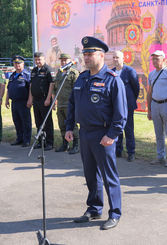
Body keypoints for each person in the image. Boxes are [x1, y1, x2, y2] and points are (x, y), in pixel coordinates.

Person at [65, 36, 127, 230]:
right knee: (90, 175)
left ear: (102, 55)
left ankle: (115, 213)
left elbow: (121, 114)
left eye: (90, 54)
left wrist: (112, 135)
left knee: (109, 177)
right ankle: (94, 208)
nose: (86, 57)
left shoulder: (112, 80)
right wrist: (69, 127)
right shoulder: (82, 78)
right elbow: (72, 105)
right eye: (84, 54)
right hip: (84, 133)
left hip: (103, 135)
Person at [147, 50, 167, 167]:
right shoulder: (151, 74)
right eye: (153, 59)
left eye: (157, 59)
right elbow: (149, 93)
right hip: (155, 105)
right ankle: (160, 156)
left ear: (163, 59)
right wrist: (149, 109)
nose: (155, 61)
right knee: (158, 133)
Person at [112, 50, 139, 162]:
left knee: (129, 130)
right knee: (117, 128)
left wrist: (130, 99)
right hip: (115, 106)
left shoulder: (130, 71)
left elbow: (136, 88)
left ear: (123, 59)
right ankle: (118, 151)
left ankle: (131, 152)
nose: (115, 59)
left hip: (127, 106)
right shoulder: (111, 72)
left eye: (117, 57)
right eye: (114, 57)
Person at [51, 53, 80, 154]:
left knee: (73, 125)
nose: (63, 62)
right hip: (60, 104)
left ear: (69, 61)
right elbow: (55, 89)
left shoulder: (74, 73)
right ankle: (65, 144)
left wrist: (75, 104)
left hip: (69, 104)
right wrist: (54, 100)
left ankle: (75, 145)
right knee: (62, 124)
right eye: (62, 60)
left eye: (65, 60)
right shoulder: (59, 73)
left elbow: (76, 90)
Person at [27, 52, 55, 151]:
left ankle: (50, 142)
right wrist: (30, 99)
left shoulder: (48, 70)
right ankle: (41, 141)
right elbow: (31, 85)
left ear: (44, 59)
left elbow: (52, 85)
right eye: (36, 60)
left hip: (44, 99)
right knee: (38, 122)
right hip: (36, 100)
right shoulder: (34, 71)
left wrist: (48, 99)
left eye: (39, 59)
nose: (37, 61)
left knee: (47, 122)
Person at [5, 55, 32, 147]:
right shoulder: (12, 75)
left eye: (19, 63)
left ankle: (27, 140)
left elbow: (30, 89)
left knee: (25, 121)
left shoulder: (27, 75)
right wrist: (6, 100)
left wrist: (30, 100)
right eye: (15, 63)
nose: (17, 65)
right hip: (14, 102)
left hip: (23, 102)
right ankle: (19, 138)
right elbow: (9, 88)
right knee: (17, 121)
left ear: (23, 64)